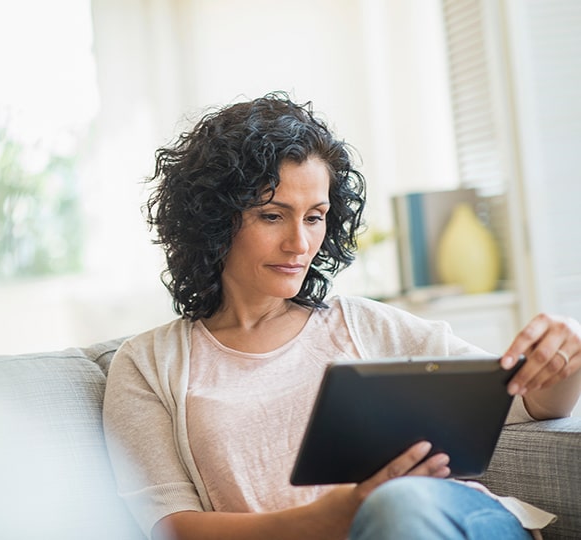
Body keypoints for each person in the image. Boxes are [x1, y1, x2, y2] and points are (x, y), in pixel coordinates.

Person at [102, 92, 581, 540]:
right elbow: (172, 528)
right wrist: (333, 517)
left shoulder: (365, 325)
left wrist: (567, 355)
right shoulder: (148, 365)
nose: (300, 243)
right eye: (272, 216)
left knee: (400, 506)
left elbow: (534, 403)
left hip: (446, 521)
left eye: (315, 216)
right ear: (211, 220)